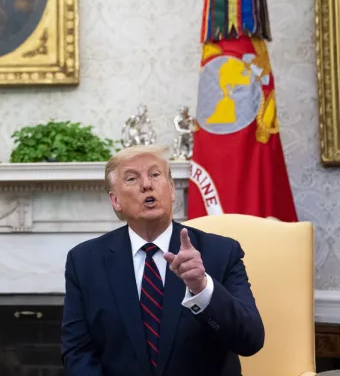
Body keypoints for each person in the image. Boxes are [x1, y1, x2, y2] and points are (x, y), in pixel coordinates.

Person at [60, 145, 264, 376]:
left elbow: (250, 340)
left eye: (155, 175)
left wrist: (202, 288)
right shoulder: (85, 261)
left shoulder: (221, 252)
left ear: (171, 189)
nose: (146, 184)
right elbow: (78, 351)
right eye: (132, 178)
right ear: (115, 200)